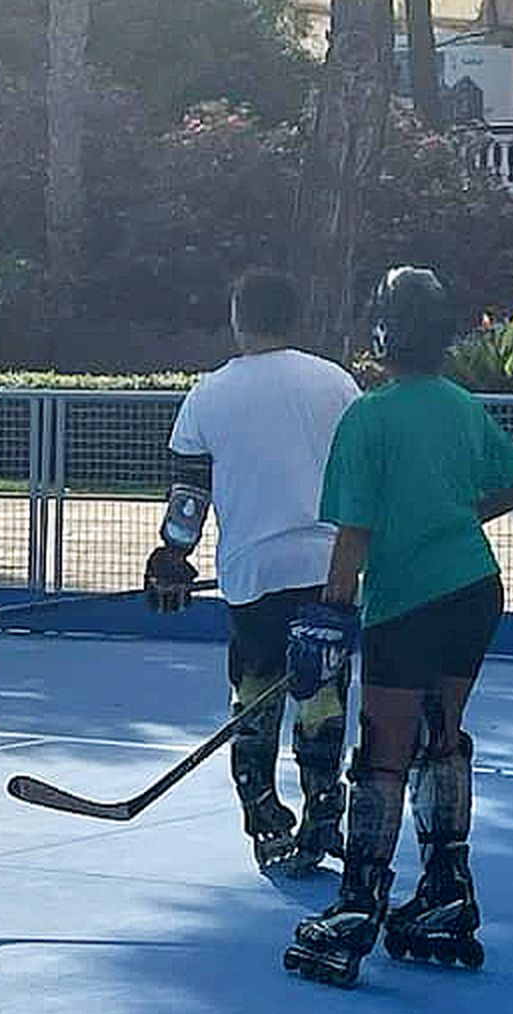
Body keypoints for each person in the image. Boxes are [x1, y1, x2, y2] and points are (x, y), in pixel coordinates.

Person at [283, 266, 513, 988]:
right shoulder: (460, 405)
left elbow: (355, 532)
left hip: (406, 602)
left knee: (385, 748)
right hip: (471, 589)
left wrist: (330, 615)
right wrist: (453, 523)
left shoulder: (369, 416)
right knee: (442, 734)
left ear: (382, 331)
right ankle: (445, 894)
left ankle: (358, 903)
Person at [144, 268, 361, 873]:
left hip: (251, 573)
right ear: (296, 319)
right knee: (322, 697)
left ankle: (266, 824)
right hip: (328, 568)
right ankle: (325, 814)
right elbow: (361, 473)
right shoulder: (337, 383)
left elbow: (189, 495)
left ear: (238, 318)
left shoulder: (209, 393)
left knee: (254, 696)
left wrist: (172, 557)